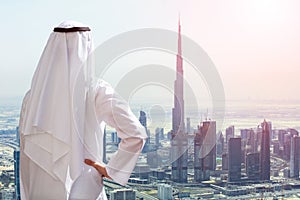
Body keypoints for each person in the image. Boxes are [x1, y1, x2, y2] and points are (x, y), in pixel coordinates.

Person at [19, 21, 147, 200]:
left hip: (40, 189)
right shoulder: (98, 91)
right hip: (85, 185)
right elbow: (136, 134)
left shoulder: (33, 97)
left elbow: (25, 156)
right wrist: (113, 170)